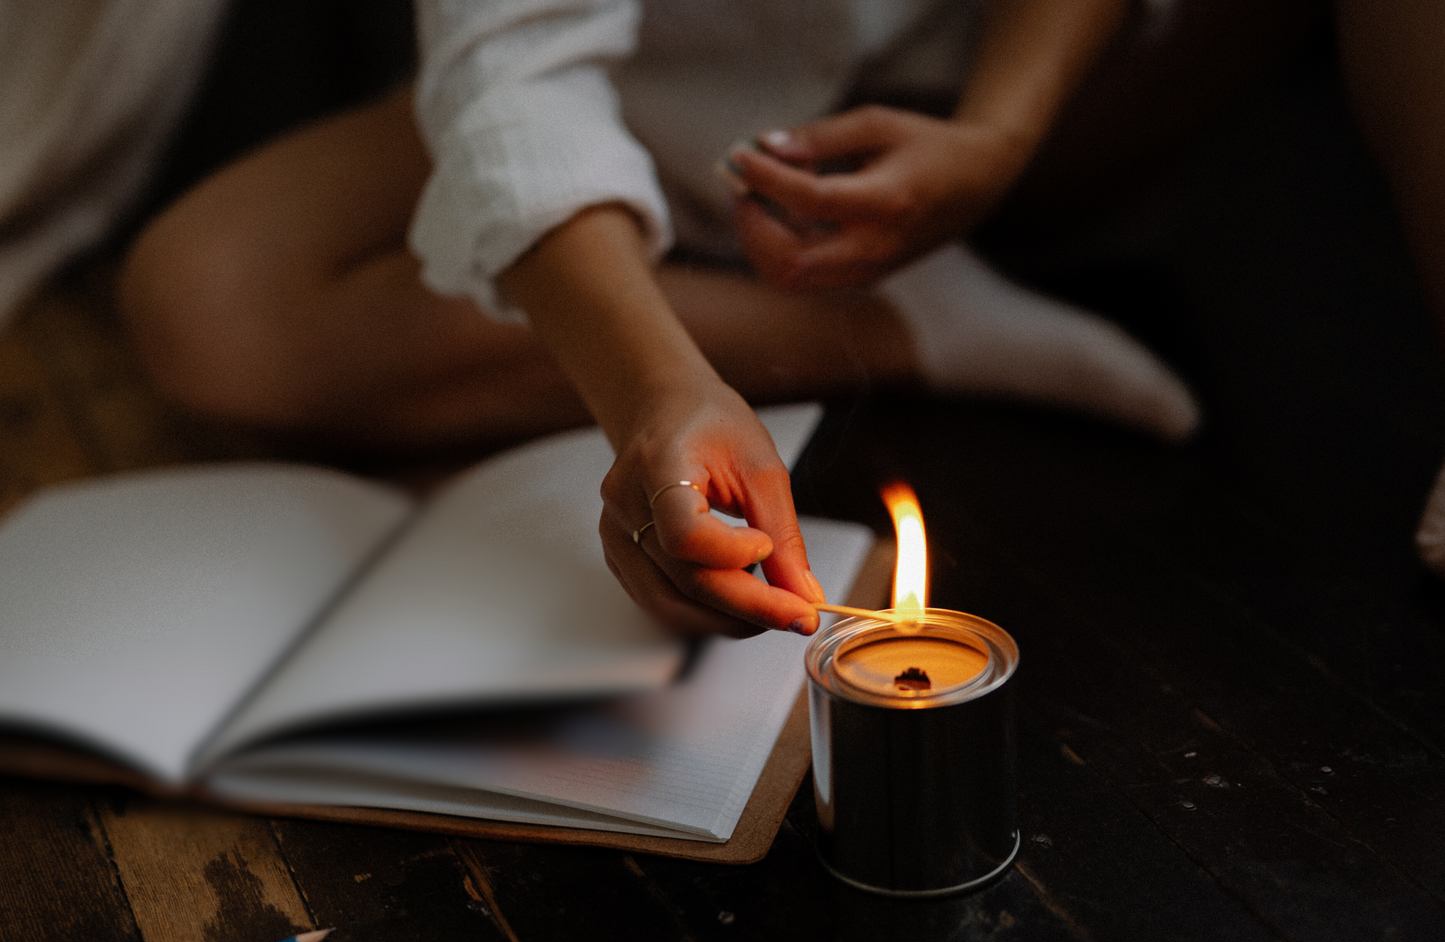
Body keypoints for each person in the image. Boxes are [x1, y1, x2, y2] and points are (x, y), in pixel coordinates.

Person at [113, 0, 1445, 633]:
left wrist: (996, 130)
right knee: (208, 297)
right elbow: (511, 68)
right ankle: (900, 330)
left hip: (1068, 94)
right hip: (689, 107)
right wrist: (655, 396)